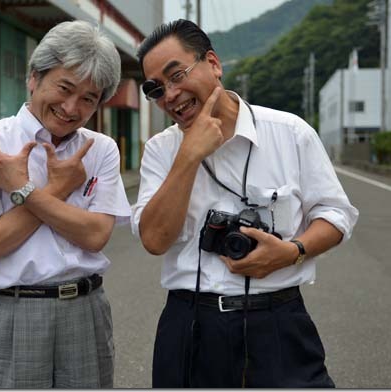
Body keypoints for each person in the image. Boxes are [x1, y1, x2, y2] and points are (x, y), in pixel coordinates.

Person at [131, 19, 359, 388]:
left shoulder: (290, 133)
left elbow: (335, 215)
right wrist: (188, 156)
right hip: (191, 324)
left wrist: (292, 252)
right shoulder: (161, 150)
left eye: (177, 76)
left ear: (214, 64)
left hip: (279, 319)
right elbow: (155, 240)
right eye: (156, 88)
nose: (170, 95)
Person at [0, 20, 130, 388]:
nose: (70, 107)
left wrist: (24, 190)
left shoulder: (101, 149)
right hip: (13, 311)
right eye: (64, 88)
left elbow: (96, 235)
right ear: (34, 77)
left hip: (86, 307)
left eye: (88, 98)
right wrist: (60, 189)